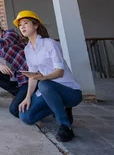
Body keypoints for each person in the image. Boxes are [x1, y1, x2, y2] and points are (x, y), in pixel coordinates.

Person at [15, 10, 82, 142]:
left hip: (70, 91)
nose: (22, 27)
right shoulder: (28, 49)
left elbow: (60, 72)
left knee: (44, 85)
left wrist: (42, 78)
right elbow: (33, 76)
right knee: (25, 116)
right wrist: (27, 97)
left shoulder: (50, 43)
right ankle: (59, 108)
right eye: (20, 25)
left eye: (26, 23)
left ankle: (65, 126)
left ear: (35, 25)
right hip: (48, 90)